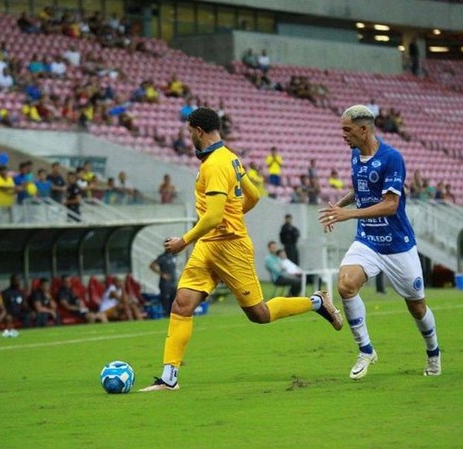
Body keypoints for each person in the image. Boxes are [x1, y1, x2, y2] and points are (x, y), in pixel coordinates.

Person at [140, 107, 342, 392]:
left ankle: (317, 302)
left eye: (190, 132)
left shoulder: (215, 164)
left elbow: (213, 217)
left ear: (198, 131)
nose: (189, 138)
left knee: (259, 314)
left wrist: (183, 240)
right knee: (182, 304)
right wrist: (230, 216)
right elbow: (254, 195)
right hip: (208, 245)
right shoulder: (229, 157)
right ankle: (169, 377)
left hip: (231, 248)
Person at [319, 105, 441, 379]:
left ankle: (433, 352)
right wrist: (338, 207)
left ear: (363, 129)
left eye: (347, 130)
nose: (343, 135)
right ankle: (366, 350)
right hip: (368, 240)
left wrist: (348, 215)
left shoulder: (392, 158)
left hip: (397, 245)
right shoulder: (355, 155)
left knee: (417, 307)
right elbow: (361, 189)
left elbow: (390, 204)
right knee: (345, 285)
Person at [150, 251, 178, 316]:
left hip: (173, 283)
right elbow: (152, 265)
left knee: (174, 300)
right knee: (165, 300)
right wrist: (162, 274)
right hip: (165, 284)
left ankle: (173, 315)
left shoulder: (173, 256)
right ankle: (166, 314)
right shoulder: (162, 257)